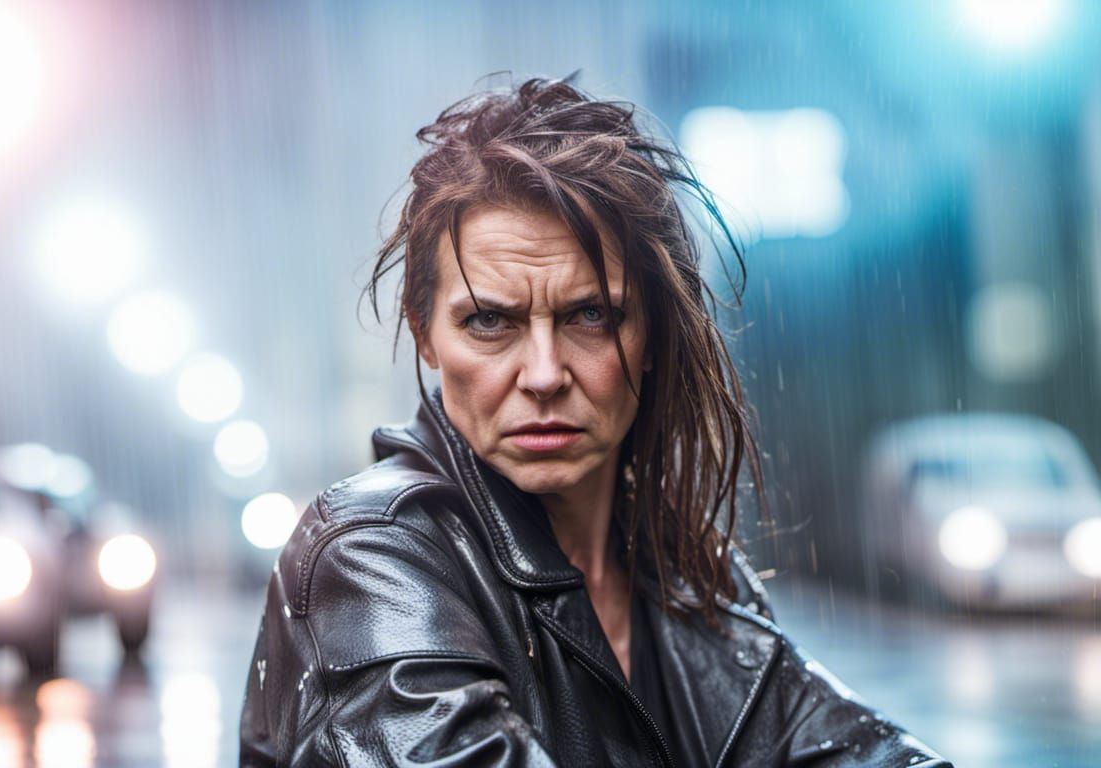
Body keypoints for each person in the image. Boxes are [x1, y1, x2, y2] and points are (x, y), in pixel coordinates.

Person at [240, 77, 950, 767]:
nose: (545, 373)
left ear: (652, 334)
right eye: (490, 322)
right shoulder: (369, 555)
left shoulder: (695, 585)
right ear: (425, 335)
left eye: (590, 316)